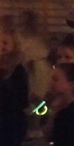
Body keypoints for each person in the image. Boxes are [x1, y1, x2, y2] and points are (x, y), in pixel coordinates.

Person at [19, 10, 52, 139]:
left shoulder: (39, 37)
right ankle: (33, 126)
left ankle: (38, 125)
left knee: (39, 98)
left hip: (39, 70)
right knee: (32, 98)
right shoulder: (21, 37)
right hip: (30, 69)